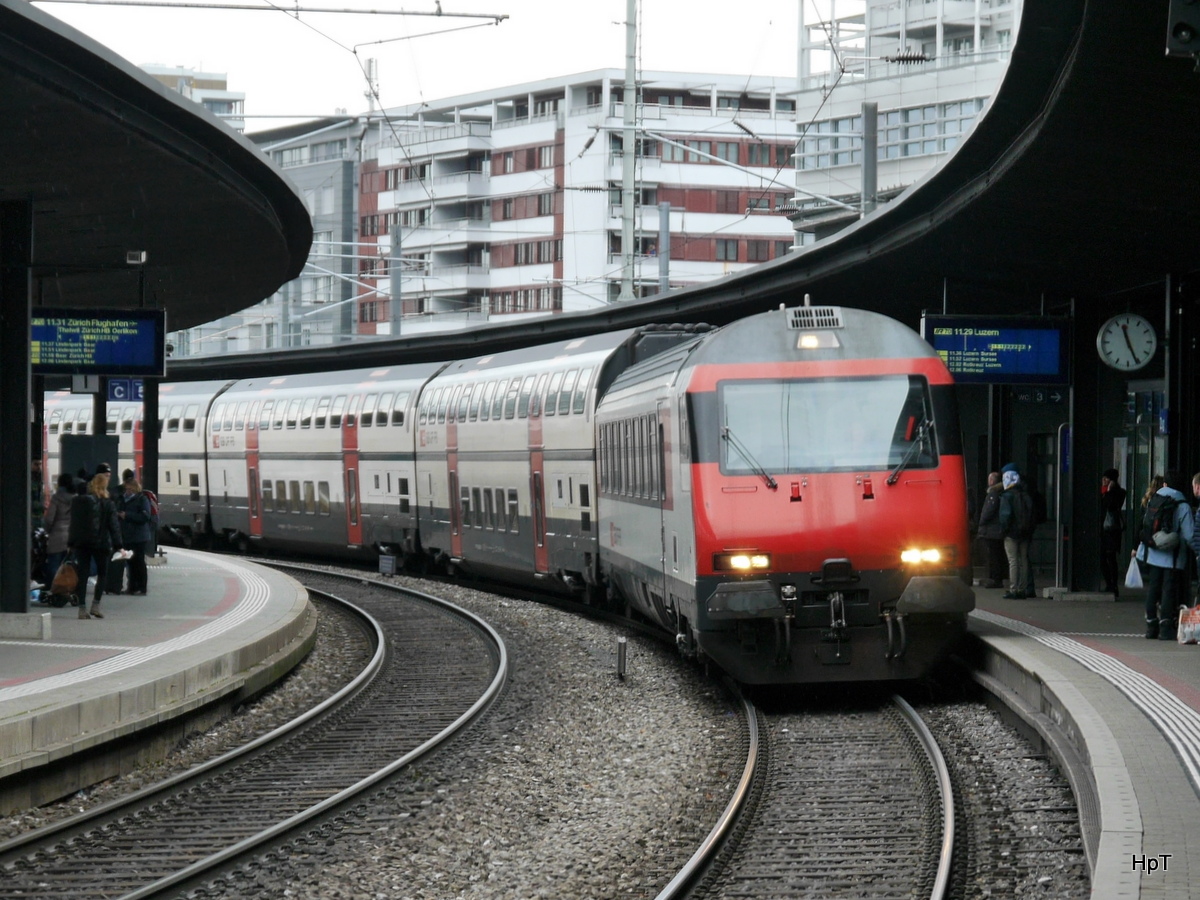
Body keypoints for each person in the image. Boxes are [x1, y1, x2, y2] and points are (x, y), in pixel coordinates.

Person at [1134, 469, 1194, 640]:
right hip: (1172, 557)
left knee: (1153, 589)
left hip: (1151, 552)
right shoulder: (1183, 505)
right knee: (1168, 591)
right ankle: (1165, 628)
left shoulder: (1154, 498)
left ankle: (1151, 626)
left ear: (1165, 484)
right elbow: (1190, 535)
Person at [67, 471, 122, 619]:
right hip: (101, 543)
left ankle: (82, 609)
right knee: (102, 574)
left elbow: (74, 524)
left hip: (82, 543)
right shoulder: (108, 504)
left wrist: (71, 542)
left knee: (83, 574)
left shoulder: (78, 502)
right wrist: (119, 545)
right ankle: (95, 606)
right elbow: (113, 526)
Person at [998, 462, 1036, 599]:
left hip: (1011, 534)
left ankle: (1013, 589)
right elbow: (1032, 514)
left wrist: (1003, 531)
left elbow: (1005, 516)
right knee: (1023, 560)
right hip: (1025, 533)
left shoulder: (1007, 496)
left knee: (1013, 561)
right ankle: (1023, 589)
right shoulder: (1026, 494)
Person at [117, 474, 152, 595]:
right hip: (127, 535)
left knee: (139, 562)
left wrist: (127, 515)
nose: (127, 491)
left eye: (130, 489)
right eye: (126, 489)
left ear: (135, 489)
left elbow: (145, 516)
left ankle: (142, 587)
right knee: (130, 563)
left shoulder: (142, 499)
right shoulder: (122, 499)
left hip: (139, 536)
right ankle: (132, 587)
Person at [41, 473, 76, 596]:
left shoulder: (56, 498)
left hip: (57, 536)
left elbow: (50, 518)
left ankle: (55, 590)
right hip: (71, 536)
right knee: (69, 566)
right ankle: (68, 590)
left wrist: (47, 530)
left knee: (53, 565)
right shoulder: (76, 498)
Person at [1099, 468, 1127, 598]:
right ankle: (1108, 583)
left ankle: (1113, 585)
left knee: (1111, 557)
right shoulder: (1101, 491)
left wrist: (1109, 491)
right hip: (1103, 529)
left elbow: (1109, 505)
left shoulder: (1118, 493)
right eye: (1103, 478)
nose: (1104, 480)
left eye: (1107, 479)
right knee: (1102, 557)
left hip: (1112, 529)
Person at [976, 472, 1007, 588]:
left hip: (992, 530)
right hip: (999, 530)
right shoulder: (1003, 492)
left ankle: (995, 579)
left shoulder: (993, 494)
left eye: (990, 479)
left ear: (993, 481)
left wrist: (981, 523)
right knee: (998, 555)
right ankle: (998, 578)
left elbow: (987, 512)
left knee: (993, 556)